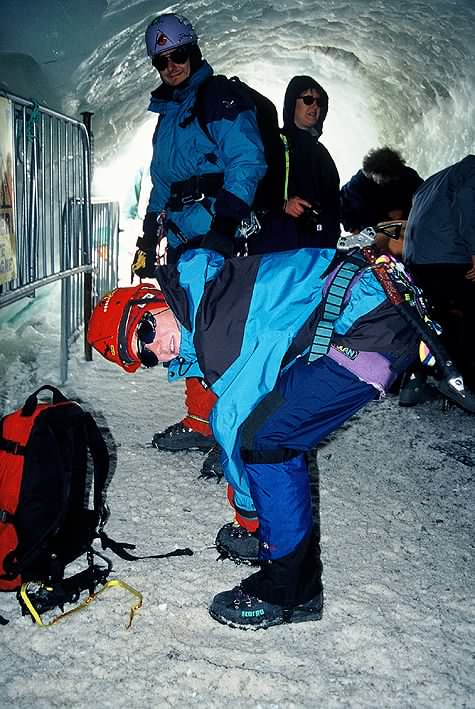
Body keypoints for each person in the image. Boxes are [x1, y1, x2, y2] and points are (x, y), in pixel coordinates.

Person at [89, 230, 467, 629]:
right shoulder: (205, 300)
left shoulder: (216, 322)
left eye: (146, 331)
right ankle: (273, 540)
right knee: (266, 428)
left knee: (267, 440)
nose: (157, 349)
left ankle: (290, 591)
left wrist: (250, 518)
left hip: (369, 327)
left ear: (153, 300)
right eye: (146, 356)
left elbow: (234, 423)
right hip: (369, 310)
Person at [131, 13, 266, 455]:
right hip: (183, 240)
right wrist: (148, 234)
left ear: (194, 51)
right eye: (161, 61)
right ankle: (201, 420)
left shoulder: (218, 97)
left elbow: (247, 161)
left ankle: (239, 431)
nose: (171, 66)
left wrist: (225, 227)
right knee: (189, 328)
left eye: (179, 55)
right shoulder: (169, 113)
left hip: (216, 236)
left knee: (227, 334)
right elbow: (162, 181)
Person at [399, 154, 475, 404]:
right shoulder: (471, 169)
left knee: (430, 318)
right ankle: (465, 383)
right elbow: (467, 202)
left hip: (416, 258)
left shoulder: (438, 178)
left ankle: (413, 383)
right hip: (444, 257)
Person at [249, 75, 340, 254]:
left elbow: (333, 204)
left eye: (319, 102)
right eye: (308, 100)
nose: (315, 106)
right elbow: (248, 183)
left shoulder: (323, 154)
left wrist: (330, 244)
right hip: (273, 246)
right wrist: (282, 205)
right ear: (292, 103)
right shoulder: (272, 141)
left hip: (316, 249)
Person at [340, 147, 423, 234]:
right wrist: (353, 229)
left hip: (409, 221)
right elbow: (340, 208)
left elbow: (424, 196)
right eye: (385, 177)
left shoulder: (406, 175)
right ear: (373, 173)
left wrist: (404, 211)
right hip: (374, 229)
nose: (388, 179)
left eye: (391, 177)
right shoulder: (356, 185)